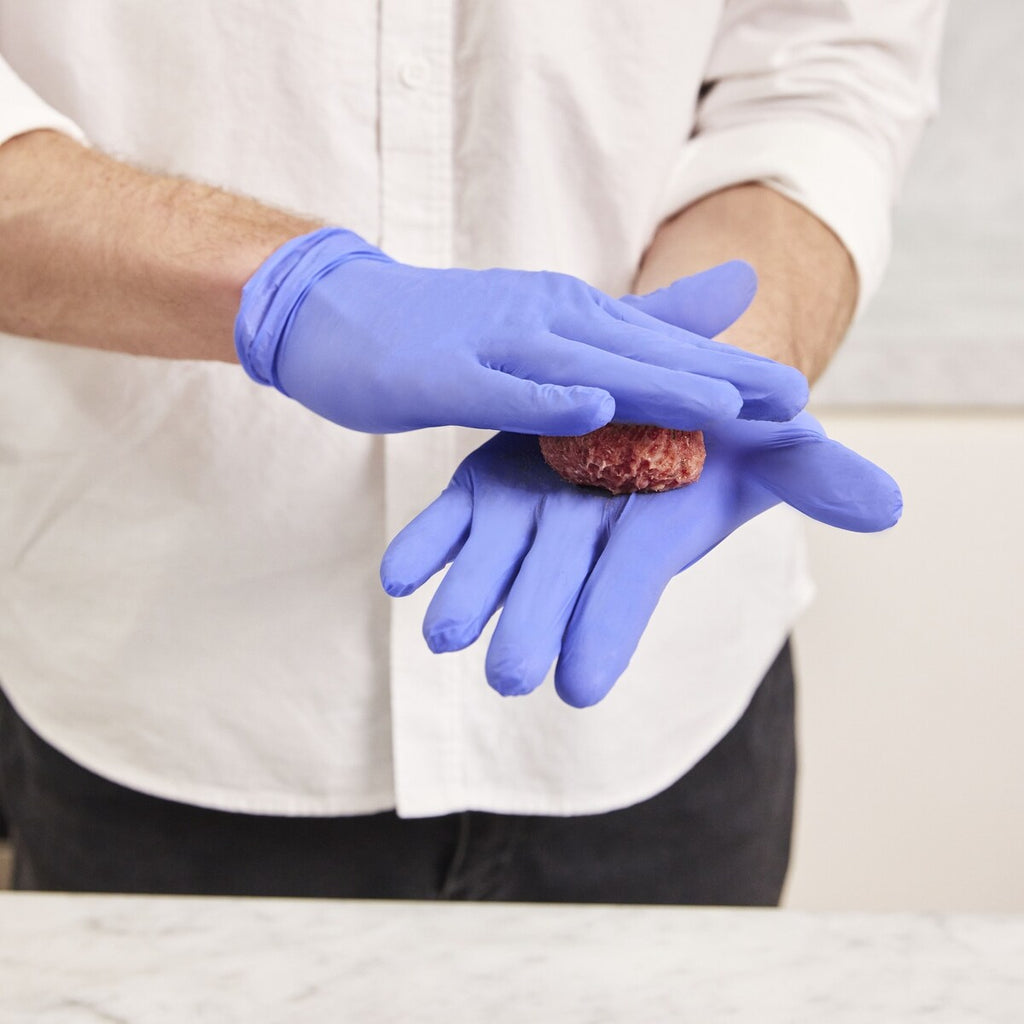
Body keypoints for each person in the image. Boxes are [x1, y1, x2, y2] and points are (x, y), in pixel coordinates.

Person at [0, 2, 944, 902]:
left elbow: (826, 64)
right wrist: (278, 288)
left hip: (664, 705)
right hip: (164, 684)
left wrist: (723, 354)